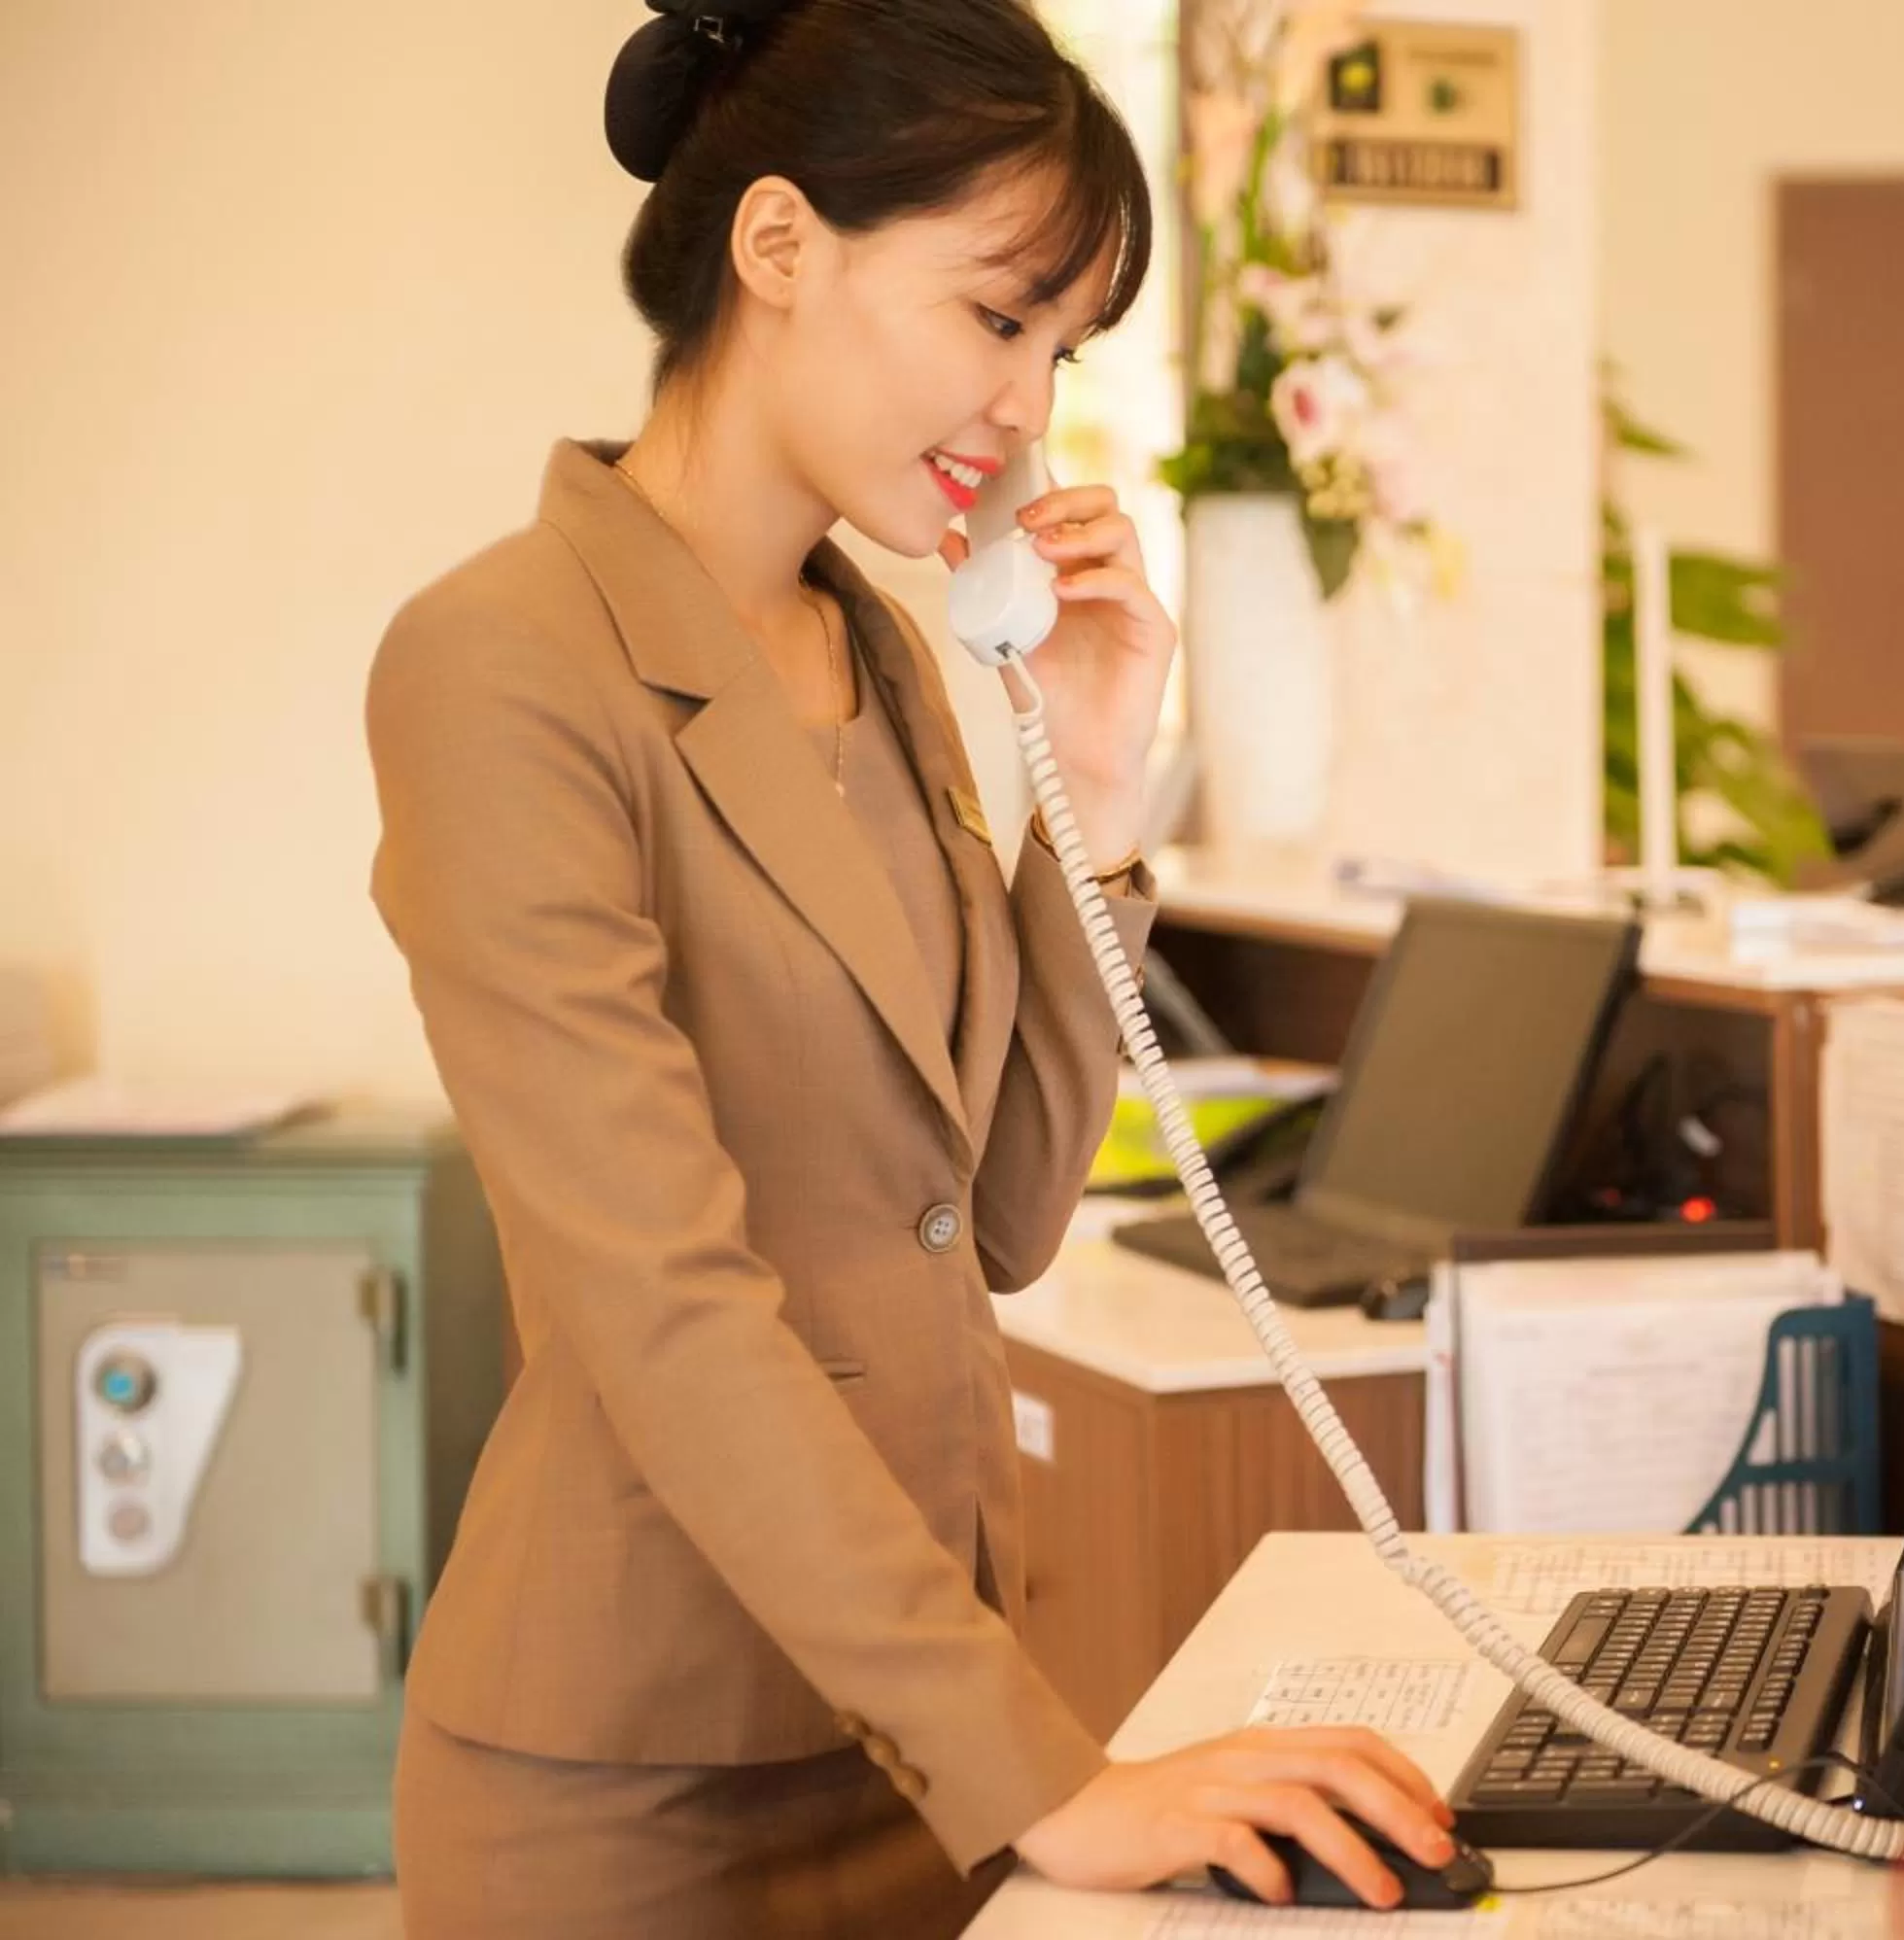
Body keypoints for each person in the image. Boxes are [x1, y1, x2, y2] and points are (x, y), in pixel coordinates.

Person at [365, 3, 1451, 1932]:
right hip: (641, 1790)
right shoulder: (503, 660)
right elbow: (661, 1297)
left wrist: (1096, 792)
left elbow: (1007, 1210)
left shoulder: (894, 656)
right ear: (777, 249)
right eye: (996, 316)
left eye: (1061, 347)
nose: (1030, 403)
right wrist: (1050, 1771)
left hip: (923, 1748)